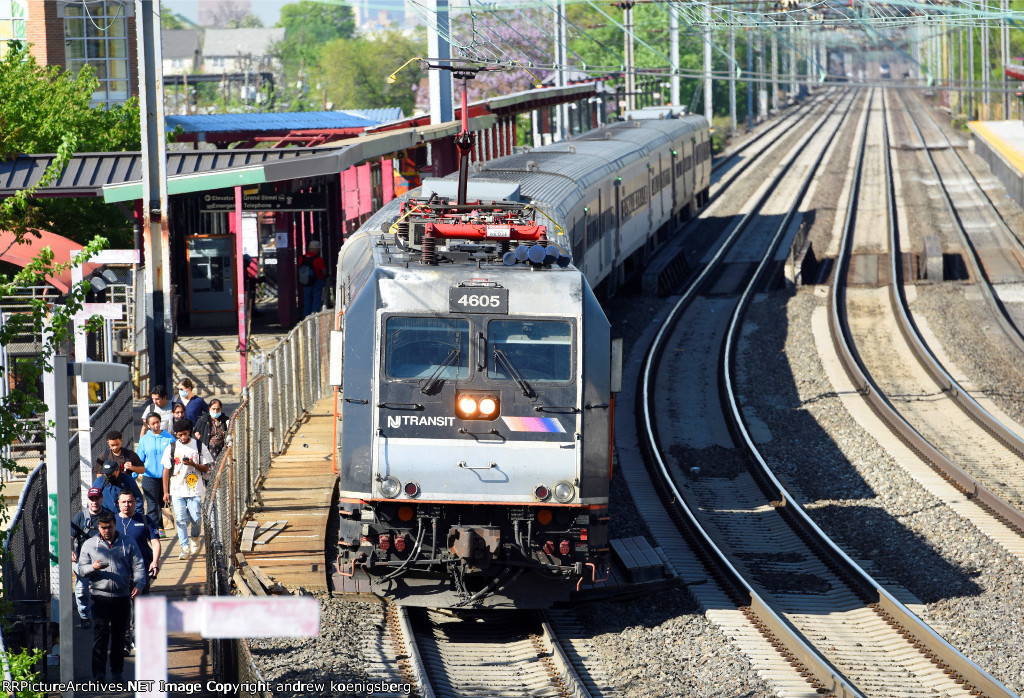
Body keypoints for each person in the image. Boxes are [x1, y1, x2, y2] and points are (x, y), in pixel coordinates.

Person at [76, 511, 146, 685]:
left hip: (122, 596)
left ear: (115, 525)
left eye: (110, 527)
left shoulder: (127, 542)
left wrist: (139, 584)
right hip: (99, 596)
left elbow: (138, 564)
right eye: (103, 528)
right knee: (100, 635)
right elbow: (80, 570)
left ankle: (117, 673)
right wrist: (93, 566)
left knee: (119, 637)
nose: (107, 530)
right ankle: (99, 674)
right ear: (98, 527)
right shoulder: (90, 544)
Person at [115, 490, 160, 655]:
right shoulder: (113, 521)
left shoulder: (145, 520)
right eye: (124, 502)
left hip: (141, 571)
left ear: (135, 502)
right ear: (118, 503)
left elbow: (155, 543)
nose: (127, 505)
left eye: (130, 501)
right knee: (123, 609)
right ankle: (125, 642)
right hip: (119, 572)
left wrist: (155, 562)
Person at [162, 418, 213, 559]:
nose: (183, 437)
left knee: (196, 518)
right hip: (177, 489)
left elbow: (206, 468)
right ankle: (184, 547)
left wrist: (193, 464)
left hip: (194, 488)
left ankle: (195, 537)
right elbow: (166, 470)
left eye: (185, 434)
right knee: (180, 519)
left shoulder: (198, 446)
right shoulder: (171, 448)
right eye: (179, 435)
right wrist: (165, 491)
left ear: (189, 432)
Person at [71, 487, 110, 629]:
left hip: (104, 559)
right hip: (84, 561)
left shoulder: (108, 516)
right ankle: (85, 616)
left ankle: (104, 616)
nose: (94, 502)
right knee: (82, 590)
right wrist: (70, 550)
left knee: (106, 589)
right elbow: (70, 536)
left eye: (97, 499)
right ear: (88, 500)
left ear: (102, 499)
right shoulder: (81, 517)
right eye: (91, 499)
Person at [137, 413, 174, 536]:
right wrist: (133, 475)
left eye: (158, 422)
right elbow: (139, 459)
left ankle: (161, 527)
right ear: (148, 425)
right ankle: (153, 530)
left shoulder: (169, 438)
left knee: (162, 502)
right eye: (153, 423)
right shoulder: (144, 439)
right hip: (149, 476)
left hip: (166, 477)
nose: (156, 425)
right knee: (152, 504)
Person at [299, 239, 327, 318]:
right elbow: (324, 272)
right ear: (316, 249)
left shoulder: (302, 258)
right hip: (317, 281)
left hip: (306, 282)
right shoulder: (319, 259)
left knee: (307, 301)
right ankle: (314, 318)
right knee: (316, 301)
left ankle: (306, 319)